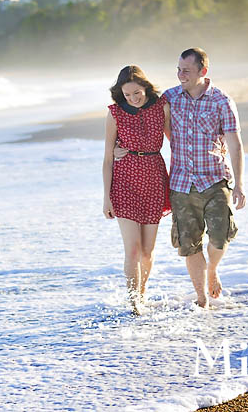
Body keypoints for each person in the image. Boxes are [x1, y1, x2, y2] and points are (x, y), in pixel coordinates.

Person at [116, 48, 246, 308]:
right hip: (180, 183)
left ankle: (212, 269)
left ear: (202, 71)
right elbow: (140, 115)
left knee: (220, 237)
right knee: (189, 244)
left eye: (186, 70)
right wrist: (119, 147)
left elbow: (235, 143)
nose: (180, 75)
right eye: (178, 69)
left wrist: (239, 184)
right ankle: (201, 298)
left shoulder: (221, 101)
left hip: (215, 179)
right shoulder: (169, 98)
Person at [102, 65, 171, 314]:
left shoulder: (161, 107)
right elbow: (108, 158)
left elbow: (176, 141)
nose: (132, 98)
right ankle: (134, 303)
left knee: (147, 251)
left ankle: (142, 294)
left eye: (137, 93)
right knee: (132, 249)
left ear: (146, 88)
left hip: (154, 179)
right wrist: (106, 198)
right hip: (124, 182)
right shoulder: (115, 113)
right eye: (127, 95)